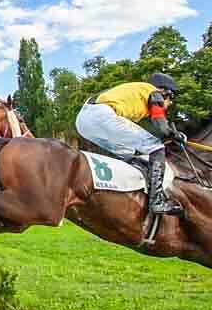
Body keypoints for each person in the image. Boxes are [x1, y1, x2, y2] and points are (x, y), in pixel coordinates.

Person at [75, 73, 186, 215]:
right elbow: (161, 124)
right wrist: (175, 135)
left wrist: (167, 135)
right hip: (102, 115)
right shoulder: (154, 92)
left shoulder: (137, 93)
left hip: (83, 123)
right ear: (165, 91)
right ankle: (157, 201)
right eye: (171, 98)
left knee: (131, 155)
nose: (170, 103)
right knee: (156, 148)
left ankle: (128, 195)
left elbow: (147, 132)